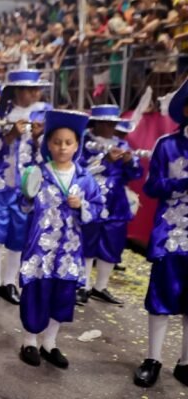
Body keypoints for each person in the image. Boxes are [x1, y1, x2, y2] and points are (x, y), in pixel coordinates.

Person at [17, 109, 102, 369]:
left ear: (77, 145)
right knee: (36, 293)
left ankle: (50, 343)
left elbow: (98, 210)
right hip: (41, 249)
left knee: (62, 295)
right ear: (48, 145)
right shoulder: (38, 173)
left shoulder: (86, 179)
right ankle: (29, 341)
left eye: (68, 142)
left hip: (69, 251)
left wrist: (82, 205)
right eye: (56, 142)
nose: (62, 148)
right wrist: (28, 196)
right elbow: (23, 205)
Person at [0, 69, 52, 305]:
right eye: (31, 89)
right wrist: (9, 136)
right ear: (18, 91)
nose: (36, 93)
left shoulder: (44, 115)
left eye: (36, 89)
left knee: (18, 235)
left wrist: (39, 139)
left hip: (26, 187)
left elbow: (49, 156)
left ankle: (10, 282)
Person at [133, 78, 188, 388]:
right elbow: (152, 186)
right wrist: (180, 184)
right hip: (171, 234)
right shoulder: (167, 145)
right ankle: (153, 358)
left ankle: (185, 362)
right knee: (161, 297)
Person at [78, 105, 143, 305]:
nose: (109, 127)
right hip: (91, 200)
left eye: (113, 123)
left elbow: (136, 174)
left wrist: (130, 162)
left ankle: (100, 286)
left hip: (116, 204)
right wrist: (104, 161)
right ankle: (83, 286)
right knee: (88, 242)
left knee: (113, 243)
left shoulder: (122, 144)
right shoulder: (82, 143)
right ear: (95, 123)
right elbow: (79, 171)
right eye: (105, 123)